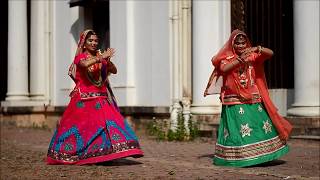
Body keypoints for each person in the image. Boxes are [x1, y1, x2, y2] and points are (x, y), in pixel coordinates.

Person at [47, 29, 143, 165]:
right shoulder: (80, 57)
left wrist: (107, 60)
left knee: (109, 123)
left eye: (96, 41)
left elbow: (114, 71)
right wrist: (101, 57)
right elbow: (85, 65)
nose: (93, 43)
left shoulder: (100, 57)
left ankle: (104, 153)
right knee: (85, 128)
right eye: (90, 40)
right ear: (84, 44)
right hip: (83, 100)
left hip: (102, 98)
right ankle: (82, 154)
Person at [204, 29, 292, 167]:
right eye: (237, 43)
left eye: (243, 43)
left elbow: (270, 53)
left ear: (246, 43)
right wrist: (239, 60)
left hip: (253, 97)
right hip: (234, 99)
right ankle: (241, 157)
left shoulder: (252, 56)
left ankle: (262, 155)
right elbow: (224, 69)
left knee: (258, 126)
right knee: (238, 130)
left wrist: (258, 48)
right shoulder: (225, 58)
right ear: (232, 44)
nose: (240, 46)